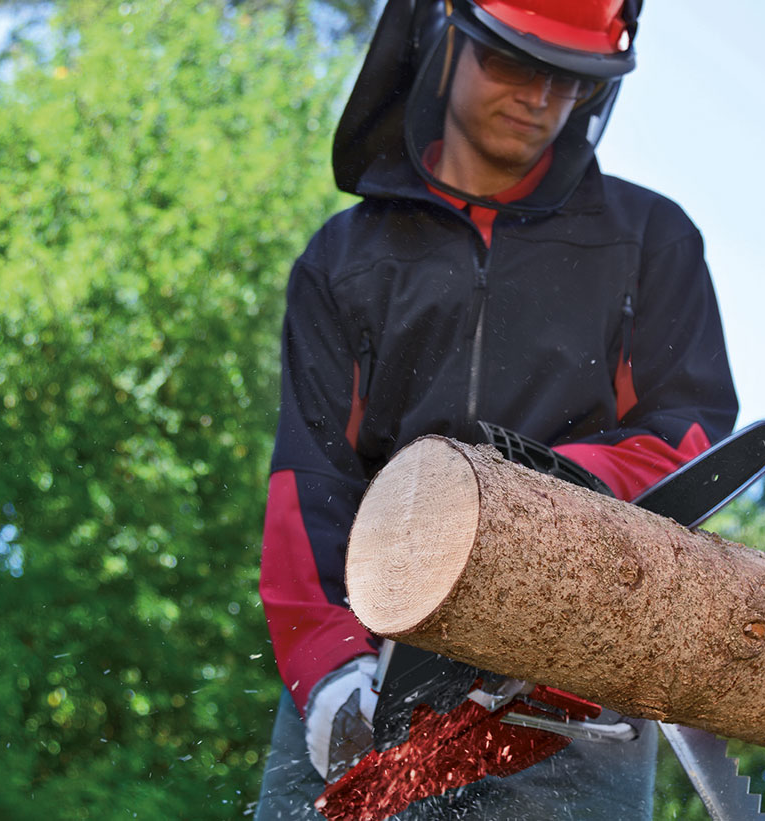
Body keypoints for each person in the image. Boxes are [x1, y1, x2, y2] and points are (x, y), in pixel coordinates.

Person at [254, 0, 739, 818]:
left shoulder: (648, 241)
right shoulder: (346, 260)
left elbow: (686, 438)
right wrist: (330, 667)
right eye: (515, 64)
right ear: (446, 40)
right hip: (379, 658)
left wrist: (529, 490)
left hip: (573, 684)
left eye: (569, 79)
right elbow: (307, 484)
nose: (540, 98)